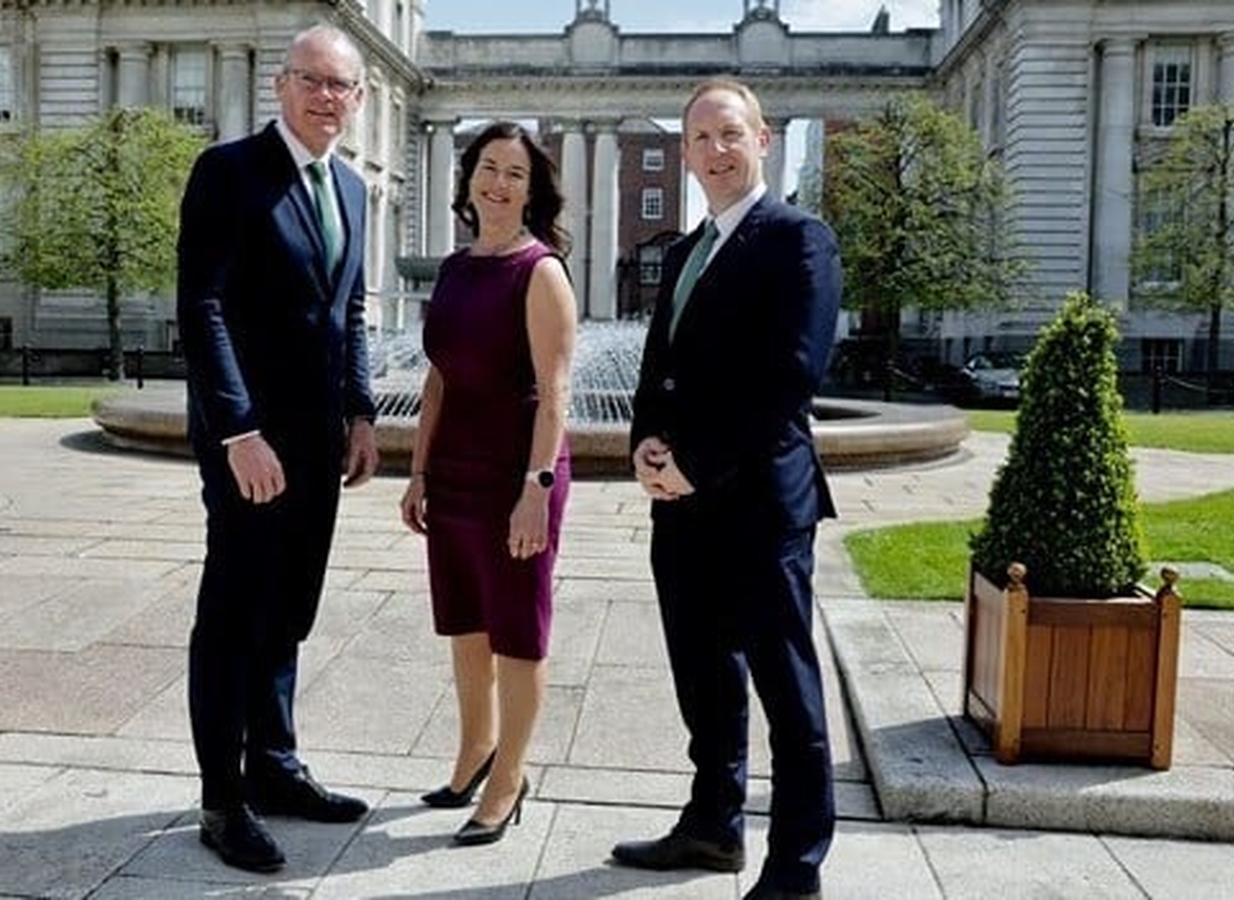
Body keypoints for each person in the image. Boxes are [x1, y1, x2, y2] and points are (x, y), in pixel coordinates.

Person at [611, 79, 842, 900]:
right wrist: (644, 444)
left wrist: (696, 463)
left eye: (731, 133)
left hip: (761, 507)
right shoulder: (685, 252)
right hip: (683, 508)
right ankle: (713, 825)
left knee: (786, 689)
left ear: (763, 140)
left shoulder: (799, 240)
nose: (717, 150)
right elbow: (659, 368)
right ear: (686, 152)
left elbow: (790, 378)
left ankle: (797, 867)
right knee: (703, 678)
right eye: (702, 138)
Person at [176, 23, 379, 874]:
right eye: (311, 80)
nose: (326, 97)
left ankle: (275, 765)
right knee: (235, 612)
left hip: (319, 442)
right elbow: (202, 307)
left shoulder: (351, 188)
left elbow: (351, 308)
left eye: (340, 86)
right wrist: (238, 430)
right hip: (249, 444)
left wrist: (361, 411)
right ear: (280, 85)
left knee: (290, 606)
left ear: (357, 99)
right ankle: (222, 799)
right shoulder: (229, 173)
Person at [399, 121, 578, 847]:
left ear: (531, 193)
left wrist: (536, 489)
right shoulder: (454, 268)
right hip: (454, 473)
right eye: (488, 168)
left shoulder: (540, 271)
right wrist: (417, 471)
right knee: (465, 622)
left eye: (515, 174)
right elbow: (438, 379)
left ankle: (509, 778)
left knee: (517, 631)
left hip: (517, 474)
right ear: (468, 178)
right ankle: (475, 750)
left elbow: (556, 392)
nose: (498, 184)